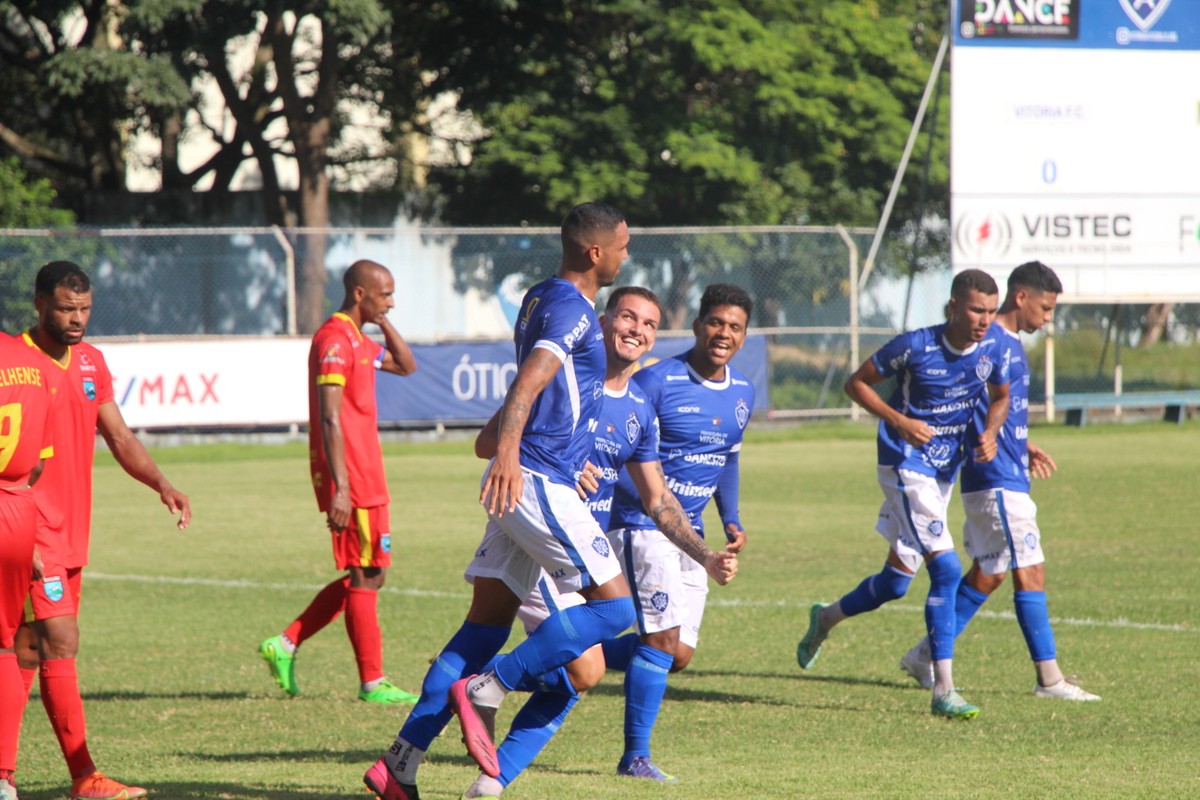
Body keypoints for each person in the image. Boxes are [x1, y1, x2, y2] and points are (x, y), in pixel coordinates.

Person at [362, 204, 736, 800]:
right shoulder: (571, 307)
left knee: (482, 629)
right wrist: (512, 450)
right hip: (538, 482)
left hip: (530, 479)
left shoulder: (541, 298)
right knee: (616, 615)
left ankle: (398, 763)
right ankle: (489, 688)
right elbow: (531, 378)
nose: (625, 254)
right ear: (596, 253)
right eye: (622, 245)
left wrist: (525, 444)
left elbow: (545, 395)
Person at [460, 285, 738, 799]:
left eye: (650, 324)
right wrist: (560, 460)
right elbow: (487, 444)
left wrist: (705, 553)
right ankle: (479, 690)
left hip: (581, 552)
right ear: (605, 321)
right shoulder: (564, 379)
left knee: (583, 674)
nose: (637, 330)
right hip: (540, 540)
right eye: (628, 317)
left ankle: (488, 778)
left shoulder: (638, 408)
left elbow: (658, 500)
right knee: (589, 661)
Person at [795, 268, 1010, 720]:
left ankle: (826, 618)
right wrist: (900, 420)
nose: (983, 319)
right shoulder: (915, 346)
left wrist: (990, 431)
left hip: (942, 474)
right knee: (948, 570)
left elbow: (1001, 395)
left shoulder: (993, 348)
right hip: (904, 466)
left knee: (895, 584)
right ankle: (943, 690)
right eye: (975, 309)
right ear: (953, 306)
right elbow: (855, 383)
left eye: (991, 311)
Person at [13, 261, 192, 800]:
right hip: (30, 529)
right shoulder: (17, 364)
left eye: (85, 309)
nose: (77, 320)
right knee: (60, 640)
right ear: (40, 304)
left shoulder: (92, 362)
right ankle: (84, 776)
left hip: (72, 534)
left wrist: (162, 483)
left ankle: (4, 773)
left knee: (26, 653)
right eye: (66, 309)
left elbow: (117, 435)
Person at [897, 262, 1100, 701]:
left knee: (990, 572)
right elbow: (959, 399)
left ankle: (923, 655)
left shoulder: (1006, 344)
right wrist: (989, 441)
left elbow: (992, 405)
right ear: (1021, 297)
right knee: (1031, 570)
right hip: (995, 478)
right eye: (1045, 308)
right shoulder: (987, 339)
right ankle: (1049, 679)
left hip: (1007, 469)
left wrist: (1021, 444)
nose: (1048, 318)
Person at [598, 282, 755, 780]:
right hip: (643, 525)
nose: (723, 333)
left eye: (734, 327)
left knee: (679, 653)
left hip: (694, 534)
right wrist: (649, 499)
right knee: (662, 641)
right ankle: (635, 758)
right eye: (715, 322)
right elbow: (620, 447)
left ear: (745, 335)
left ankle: (563, 653)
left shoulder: (743, 392)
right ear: (697, 325)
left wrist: (731, 516)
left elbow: (727, 459)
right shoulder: (657, 380)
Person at [258, 260, 420, 705]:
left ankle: (286, 642)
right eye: (385, 294)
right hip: (354, 476)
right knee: (366, 574)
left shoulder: (359, 341)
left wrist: (384, 322)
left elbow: (407, 365)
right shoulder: (334, 340)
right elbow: (329, 417)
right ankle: (372, 682)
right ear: (359, 293)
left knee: (370, 573)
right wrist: (341, 488)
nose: (391, 302)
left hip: (369, 473)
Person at [0, 332, 58, 800]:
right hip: (19, 509)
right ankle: (3, 779)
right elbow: (38, 463)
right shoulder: (30, 362)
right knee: (3, 647)